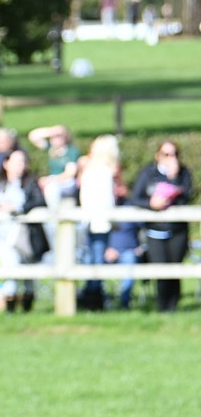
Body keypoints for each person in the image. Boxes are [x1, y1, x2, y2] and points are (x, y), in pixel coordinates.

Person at [131, 141, 193, 312]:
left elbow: (186, 196)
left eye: (173, 154)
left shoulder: (183, 173)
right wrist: (152, 205)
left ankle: (173, 306)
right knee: (161, 269)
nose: (170, 158)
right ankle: (162, 306)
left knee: (175, 268)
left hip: (177, 230)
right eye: (166, 154)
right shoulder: (148, 173)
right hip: (155, 230)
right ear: (158, 155)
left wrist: (172, 178)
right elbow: (136, 198)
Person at [0, 149, 49, 312]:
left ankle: (27, 310)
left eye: (23, 162)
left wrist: (19, 208)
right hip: (3, 237)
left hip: (25, 237)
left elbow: (40, 202)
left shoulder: (30, 182)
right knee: (11, 270)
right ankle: (10, 311)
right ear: (6, 164)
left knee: (28, 275)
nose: (20, 166)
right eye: (16, 162)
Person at [76, 134, 121, 311]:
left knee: (92, 260)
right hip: (100, 223)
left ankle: (91, 298)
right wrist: (114, 220)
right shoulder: (103, 172)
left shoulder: (89, 170)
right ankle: (93, 301)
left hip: (89, 221)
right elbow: (107, 201)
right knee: (96, 261)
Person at [103, 197, 142, 310]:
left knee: (129, 259)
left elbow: (144, 228)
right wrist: (107, 248)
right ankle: (102, 301)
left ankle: (124, 304)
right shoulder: (104, 206)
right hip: (108, 251)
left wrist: (141, 247)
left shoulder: (131, 207)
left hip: (129, 251)